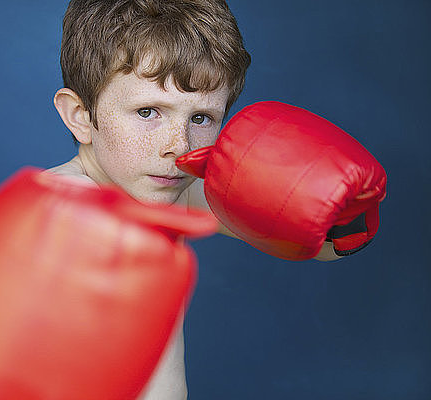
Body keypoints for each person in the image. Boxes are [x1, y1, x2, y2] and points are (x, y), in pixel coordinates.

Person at [45, 0, 351, 398]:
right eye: (148, 112)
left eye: (201, 118)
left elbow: (306, 237)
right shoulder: (62, 202)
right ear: (80, 115)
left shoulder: (178, 193)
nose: (179, 146)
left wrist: (344, 218)